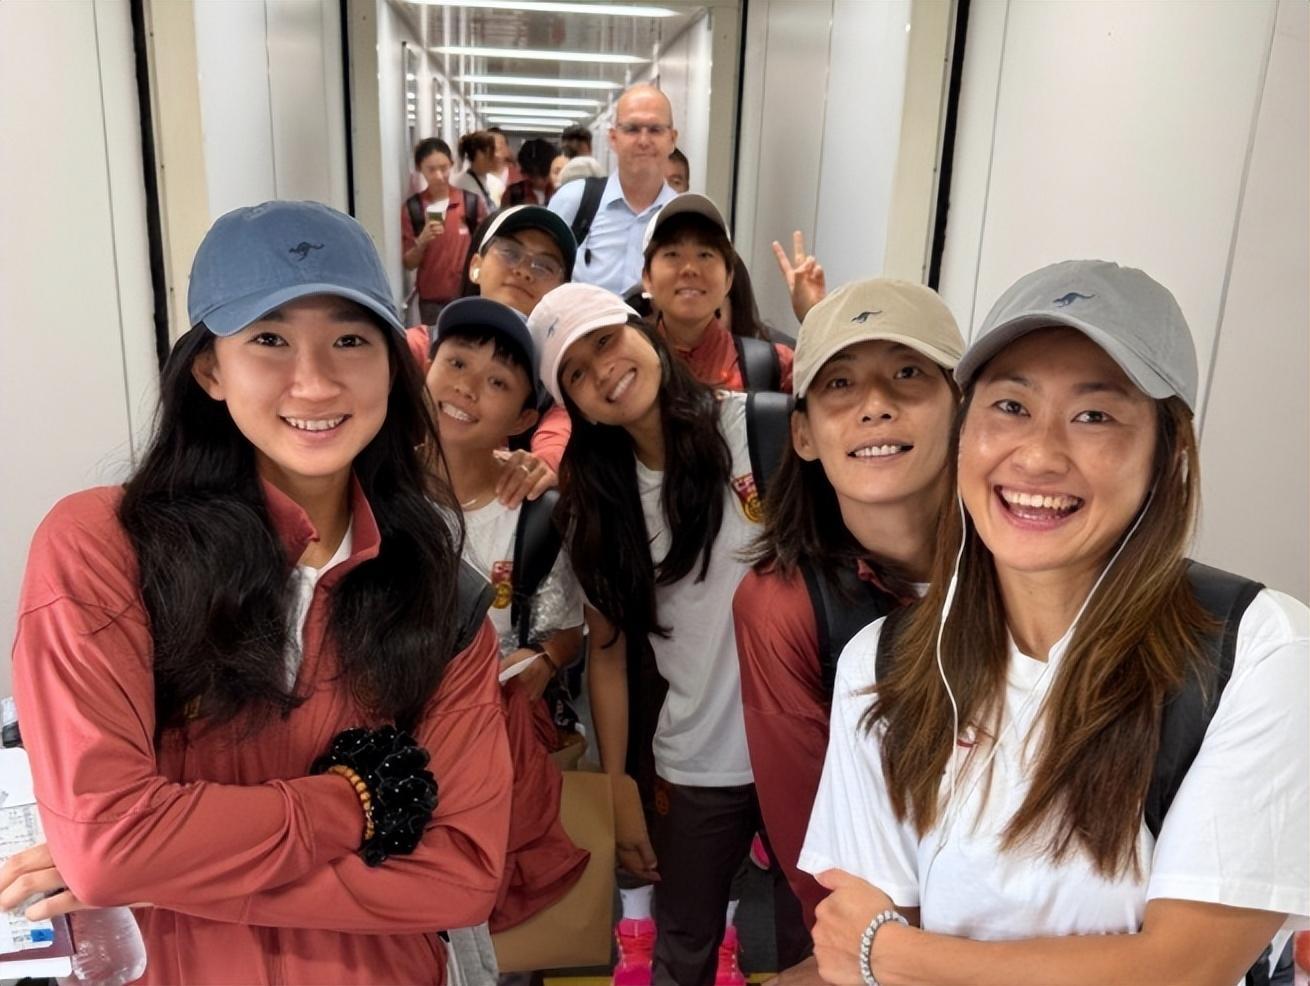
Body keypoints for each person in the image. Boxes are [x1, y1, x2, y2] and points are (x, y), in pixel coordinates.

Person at [0, 201, 514, 984]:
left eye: (350, 339)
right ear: (210, 369)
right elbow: (110, 845)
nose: (314, 381)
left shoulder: (439, 596)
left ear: (391, 364)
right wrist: (352, 802)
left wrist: (172, 876)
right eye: (268, 340)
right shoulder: (106, 548)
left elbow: (462, 876)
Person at [800, 260, 1309, 985]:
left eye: (1095, 416)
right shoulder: (884, 664)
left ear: (1168, 454)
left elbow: (1182, 970)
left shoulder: (1256, 652)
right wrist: (881, 956)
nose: (1038, 455)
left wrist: (894, 955)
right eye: (1010, 406)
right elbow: (852, 944)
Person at [527, 283, 777, 986]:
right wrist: (619, 786)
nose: (603, 371)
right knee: (683, 944)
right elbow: (607, 656)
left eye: (606, 340)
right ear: (573, 405)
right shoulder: (600, 505)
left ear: (645, 331)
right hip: (695, 761)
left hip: (807, 753)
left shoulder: (760, 430)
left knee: (810, 944)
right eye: (577, 374)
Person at [731, 279, 963, 967]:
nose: (876, 405)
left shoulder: (1032, 563)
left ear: (963, 408)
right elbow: (815, 841)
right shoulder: (782, 606)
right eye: (840, 384)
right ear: (803, 433)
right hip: (880, 944)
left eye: (909, 373)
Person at [424, 297, 590, 968]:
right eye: (456, 363)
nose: (467, 387)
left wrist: (542, 660)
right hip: (390, 737)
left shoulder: (533, 513)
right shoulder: (373, 485)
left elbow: (567, 629)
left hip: (493, 742)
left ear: (524, 418)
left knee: (486, 908)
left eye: (497, 381)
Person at [402, 204, 577, 509]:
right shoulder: (417, 346)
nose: (523, 270)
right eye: (510, 252)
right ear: (476, 265)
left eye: (544, 266)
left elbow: (559, 432)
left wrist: (542, 466)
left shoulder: (557, 379)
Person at [641, 192, 793, 391]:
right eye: (672, 254)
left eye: (705, 255)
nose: (690, 269)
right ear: (647, 278)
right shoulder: (629, 363)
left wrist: (813, 311)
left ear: (729, 279)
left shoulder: (775, 365)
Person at [548, 84, 678, 296]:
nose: (643, 141)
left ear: (672, 139)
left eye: (655, 130)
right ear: (613, 138)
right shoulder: (573, 202)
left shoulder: (686, 218)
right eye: (632, 129)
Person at [403, 136, 487, 325]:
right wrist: (422, 240)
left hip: (468, 295)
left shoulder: (471, 203)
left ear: (452, 164)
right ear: (419, 169)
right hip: (431, 300)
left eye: (444, 168)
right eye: (431, 170)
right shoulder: (414, 208)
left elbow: (487, 247)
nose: (439, 176)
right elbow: (409, 263)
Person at [455, 130, 505, 210]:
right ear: (478, 154)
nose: (496, 156)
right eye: (490, 153)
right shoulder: (459, 184)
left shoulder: (496, 183)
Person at [504, 138, 558, 207]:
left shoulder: (559, 192)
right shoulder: (513, 193)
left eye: (544, 175)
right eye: (533, 176)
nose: (540, 181)